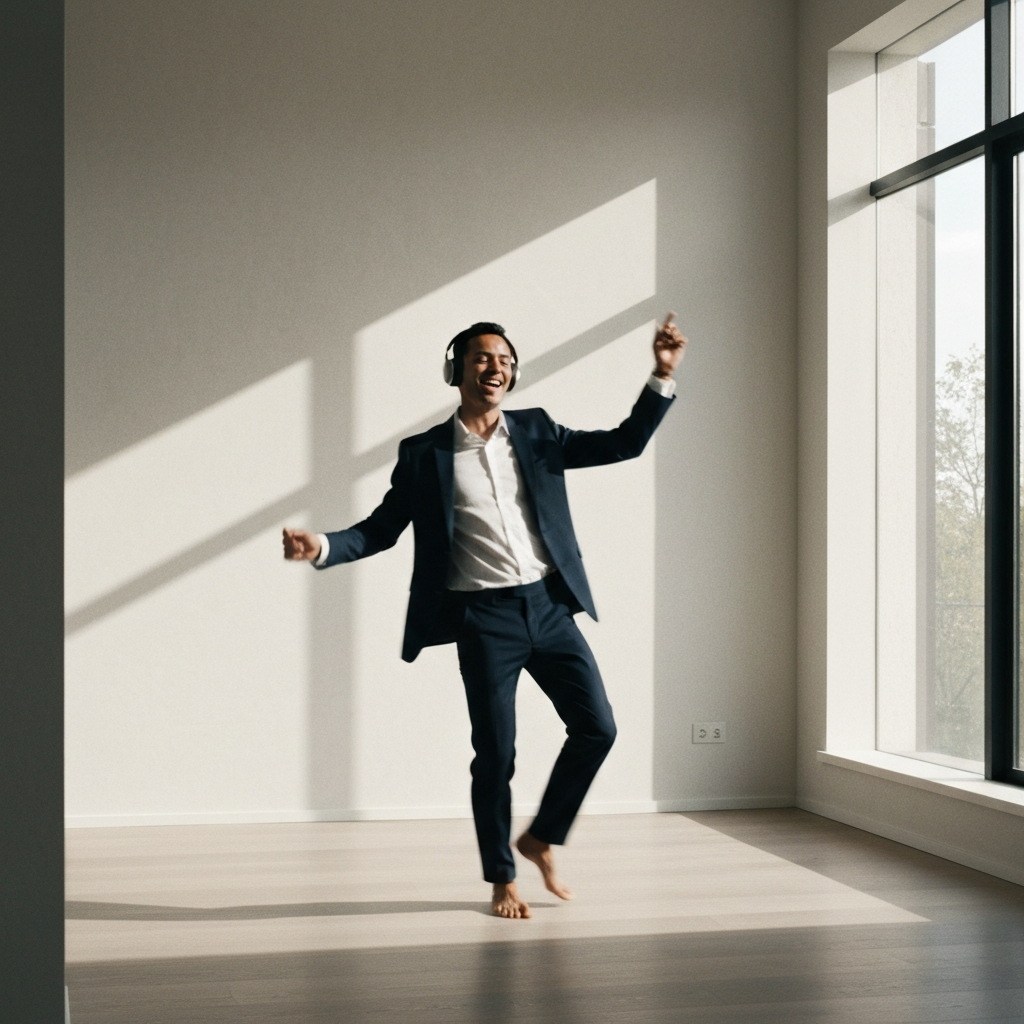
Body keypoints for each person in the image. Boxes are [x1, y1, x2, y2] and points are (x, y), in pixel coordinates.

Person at [283, 314, 687, 918]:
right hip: (483, 620)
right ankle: (502, 876)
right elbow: (381, 530)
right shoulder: (424, 455)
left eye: (502, 359)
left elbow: (622, 443)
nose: (493, 367)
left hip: (550, 607)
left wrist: (660, 374)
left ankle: (541, 838)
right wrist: (322, 546)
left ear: (513, 371)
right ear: (457, 370)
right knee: (496, 754)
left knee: (598, 728)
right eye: (480, 358)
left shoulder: (538, 431)